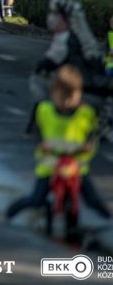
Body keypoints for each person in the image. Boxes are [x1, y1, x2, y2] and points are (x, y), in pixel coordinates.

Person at [6, 65, 110, 223]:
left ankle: (108, 220)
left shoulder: (86, 113)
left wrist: (89, 143)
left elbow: (95, 131)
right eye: (62, 96)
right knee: (37, 199)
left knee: (92, 199)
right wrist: (41, 143)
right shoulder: (44, 110)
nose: (67, 101)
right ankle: (12, 211)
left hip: (76, 166)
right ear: (53, 93)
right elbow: (35, 129)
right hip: (50, 164)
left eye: (72, 96)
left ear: (79, 93)